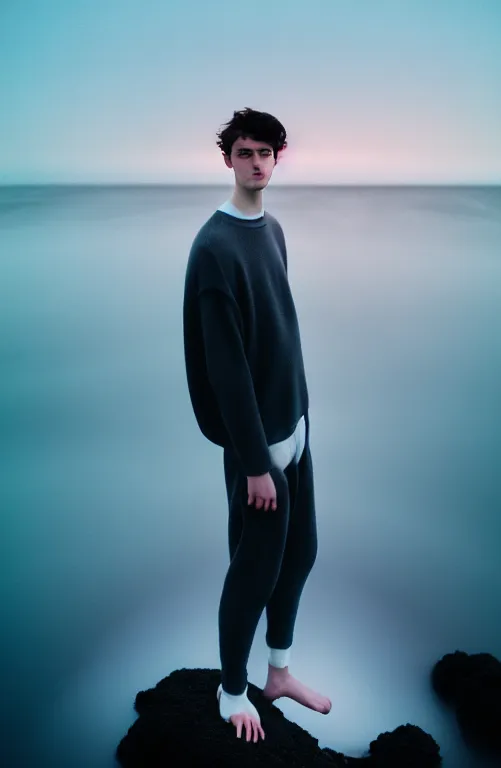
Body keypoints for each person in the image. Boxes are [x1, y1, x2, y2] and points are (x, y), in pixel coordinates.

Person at [182, 108, 331, 744]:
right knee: (253, 569)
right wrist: (251, 463)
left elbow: (280, 332)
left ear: (279, 157)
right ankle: (232, 690)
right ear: (228, 159)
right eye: (245, 152)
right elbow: (225, 368)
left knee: (301, 554)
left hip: (294, 427)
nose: (257, 163)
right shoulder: (214, 248)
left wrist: (300, 416)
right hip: (258, 448)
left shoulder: (272, 230)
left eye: (267, 152)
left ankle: (277, 674)